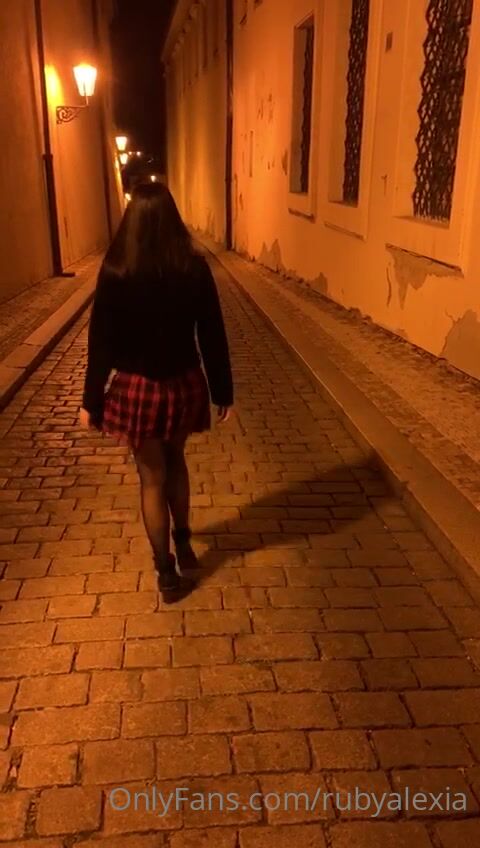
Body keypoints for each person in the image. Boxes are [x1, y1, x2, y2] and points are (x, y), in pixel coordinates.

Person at [79, 182, 233, 603]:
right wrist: (222, 390)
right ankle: (183, 543)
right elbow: (212, 332)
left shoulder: (116, 270)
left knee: (151, 478)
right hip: (183, 383)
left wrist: (92, 400)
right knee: (176, 462)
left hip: (136, 388)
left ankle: (165, 571)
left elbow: (101, 340)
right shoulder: (193, 268)